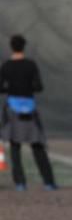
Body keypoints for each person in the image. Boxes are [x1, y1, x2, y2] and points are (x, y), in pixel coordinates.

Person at [0, 34, 57, 191]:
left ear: (12, 46)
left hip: (13, 107)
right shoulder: (31, 65)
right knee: (37, 145)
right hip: (29, 108)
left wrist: (11, 88)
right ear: (24, 47)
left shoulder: (6, 66)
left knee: (15, 146)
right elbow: (39, 87)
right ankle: (48, 182)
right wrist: (27, 87)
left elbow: (0, 87)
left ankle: (20, 183)